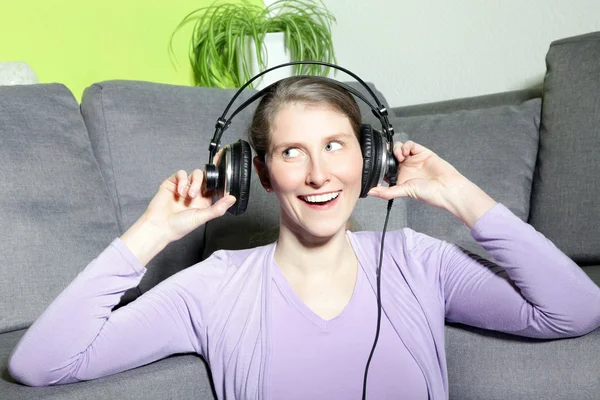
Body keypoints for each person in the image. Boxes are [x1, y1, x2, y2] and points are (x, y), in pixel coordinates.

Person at [8, 77, 600, 400]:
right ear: (259, 172)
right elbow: (40, 364)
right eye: (293, 152)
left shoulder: (419, 261)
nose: (319, 174)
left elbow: (573, 310)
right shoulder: (213, 287)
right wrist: (153, 231)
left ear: (368, 161)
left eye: (335, 147)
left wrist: (454, 193)